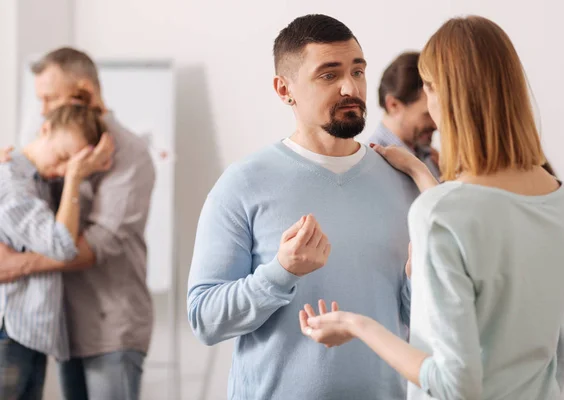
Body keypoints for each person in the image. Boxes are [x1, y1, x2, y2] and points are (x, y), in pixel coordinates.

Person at [301, 15, 564, 400]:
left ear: (442, 94)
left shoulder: (439, 214)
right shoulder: (561, 199)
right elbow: (556, 351)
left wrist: (356, 324)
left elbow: (454, 386)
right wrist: (420, 172)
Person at [187, 14, 417, 400]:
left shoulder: (400, 180)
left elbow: (410, 321)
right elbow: (204, 319)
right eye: (329, 75)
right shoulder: (242, 184)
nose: (350, 87)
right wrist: (280, 273)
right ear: (284, 89)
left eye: (357, 71)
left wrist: (418, 283)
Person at [0, 47, 156, 400]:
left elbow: (100, 241)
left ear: (83, 92)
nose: (42, 109)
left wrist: (16, 265)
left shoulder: (128, 153)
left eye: (49, 98)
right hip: (63, 326)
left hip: (110, 326)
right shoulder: (55, 142)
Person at [0, 98, 112, 400]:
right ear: (45, 129)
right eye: (63, 157)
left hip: (28, 335)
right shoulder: (11, 181)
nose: (63, 170)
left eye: (73, 166)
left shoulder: (37, 183)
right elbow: (62, 246)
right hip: (9, 334)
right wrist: (76, 176)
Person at [369, 51, 440, 179]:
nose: (436, 125)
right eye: (427, 114)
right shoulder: (371, 165)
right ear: (393, 105)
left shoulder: (432, 158)